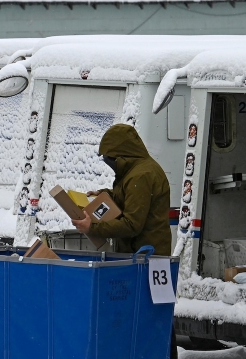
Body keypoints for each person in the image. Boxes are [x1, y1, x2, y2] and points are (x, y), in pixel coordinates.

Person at [71, 124, 176, 357]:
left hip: (149, 260)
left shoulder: (141, 175)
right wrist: (103, 196)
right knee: (156, 318)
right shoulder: (135, 171)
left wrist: (93, 226)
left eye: (110, 159)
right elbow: (127, 199)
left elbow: (132, 224)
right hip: (143, 258)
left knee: (153, 318)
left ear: (122, 155)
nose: (108, 163)